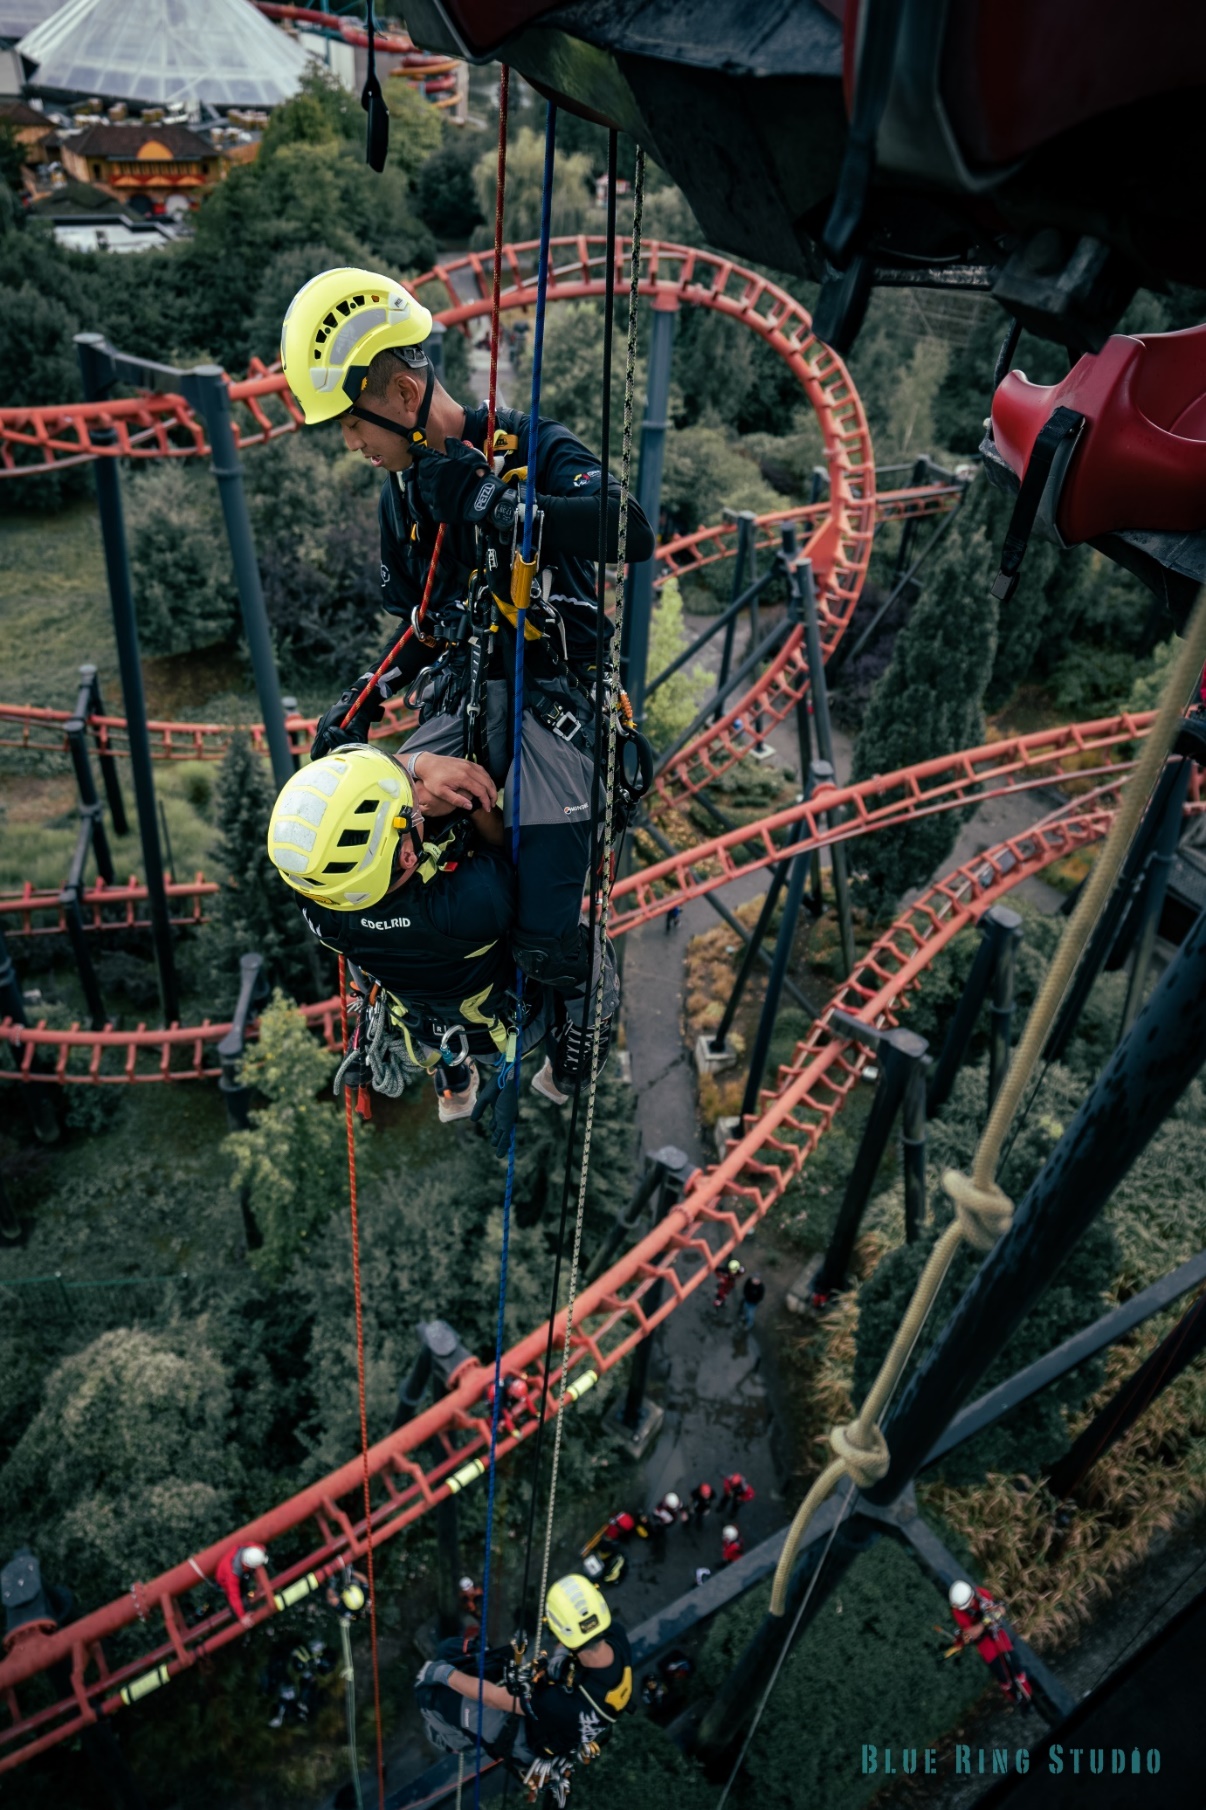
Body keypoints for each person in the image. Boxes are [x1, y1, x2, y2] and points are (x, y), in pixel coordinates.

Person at [280, 268, 654, 1046]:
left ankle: (579, 989)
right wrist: (370, 694)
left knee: (544, 928)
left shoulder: (531, 446)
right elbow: (426, 624)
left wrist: (498, 505)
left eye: (351, 424)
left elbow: (629, 529)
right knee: (379, 860)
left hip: (556, 697)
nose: (350, 444)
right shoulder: (403, 494)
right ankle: (450, 1012)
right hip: (462, 689)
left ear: (402, 396)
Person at [267, 746, 617, 1150]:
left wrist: (420, 766)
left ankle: (453, 1077)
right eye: (412, 812)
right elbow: (514, 857)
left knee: (400, 988)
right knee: (564, 939)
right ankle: (574, 1058)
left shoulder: (319, 909)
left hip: (424, 1024)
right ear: (408, 855)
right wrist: (470, 804)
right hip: (510, 1027)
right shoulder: (474, 900)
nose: (419, 803)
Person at [414, 1573, 632, 1799]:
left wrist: (440, 1673)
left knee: (432, 1696)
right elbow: (573, 1641)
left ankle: (455, 1741)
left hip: (527, 1736)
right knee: (453, 1652)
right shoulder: (616, 1637)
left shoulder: (559, 1702)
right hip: (558, 1717)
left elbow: (494, 1698)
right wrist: (560, 1658)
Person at [948, 1581, 1032, 1705]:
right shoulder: (958, 1612)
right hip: (984, 1643)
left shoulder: (981, 1593)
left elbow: (1001, 1608)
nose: (970, 1604)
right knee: (1002, 1673)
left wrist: (996, 1612)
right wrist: (985, 1621)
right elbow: (970, 1634)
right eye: (967, 1603)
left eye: (970, 1600)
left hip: (998, 1633)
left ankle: (1027, 1693)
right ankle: (1013, 1697)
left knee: (1015, 1664)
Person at [215, 1542, 268, 1627]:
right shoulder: (233, 1575)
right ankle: (239, 1616)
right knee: (241, 1598)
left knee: (247, 1579)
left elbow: (258, 1547)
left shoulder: (250, 1551)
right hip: (224, 1580)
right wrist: (242, 1616)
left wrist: (261, 1551)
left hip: (237, 1570)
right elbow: (234, 1596)